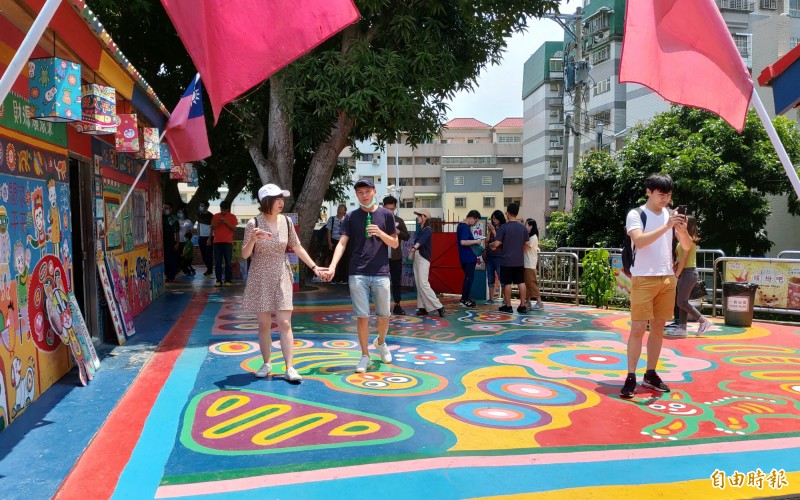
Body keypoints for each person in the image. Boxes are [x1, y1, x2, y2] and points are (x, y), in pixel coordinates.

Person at [242, 184, 325, 382]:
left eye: (282, 199)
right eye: (277, 199)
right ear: (266, 202)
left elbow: (297, 247)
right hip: (260, 276)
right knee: (264, 324)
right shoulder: (253, 223)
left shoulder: (287, 221)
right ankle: (266, 363)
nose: (281, 202)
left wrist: (315, 267)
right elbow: (244, 255)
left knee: (285, 322)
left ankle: (290, 367)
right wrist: (252, 239)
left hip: (281, 273)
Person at [620, 173, 691, 399]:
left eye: (669, 195)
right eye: (661, 195)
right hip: (643, 277)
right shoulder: (636, 214)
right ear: (648, 191)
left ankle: (650, 373)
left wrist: (682, 229)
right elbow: (639, 241)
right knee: (638, 328)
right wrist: (667, 225)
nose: (665, 200)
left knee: (658, 327)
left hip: (667, 277)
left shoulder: (671, 215)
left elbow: (687, 246)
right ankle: (631, 376)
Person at [323, 178, 399, 373]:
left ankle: (381, 342)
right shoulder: (350, 217)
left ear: (374, 192)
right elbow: (341, 243)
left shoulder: (386, 215)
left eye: (367, 191)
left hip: (381, 272)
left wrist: (380, 233)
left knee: (384, 316)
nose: (364, 196)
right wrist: (332, 266)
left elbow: (395, 243)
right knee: (362, 316)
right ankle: (365, 355)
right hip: (357, 272)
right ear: (356, 195)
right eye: (360, 193)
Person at [667, 216, 712, 338]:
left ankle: (703, 320)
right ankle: (682, 328)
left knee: (681, 302)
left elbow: (685, 259)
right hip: (686, 272)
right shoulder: (684, 238)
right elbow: (681, 258)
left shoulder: (688, 240)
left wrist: (676, 274)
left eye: (684, 221)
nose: (682, 223)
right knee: (683, 301)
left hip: (688, 272)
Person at [489, 203, 528, 314]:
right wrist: (520, 253)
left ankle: (508, 305)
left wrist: (490, 245)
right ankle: (522, 305)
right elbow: (527, 244)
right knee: (521, 282)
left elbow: (496, 244)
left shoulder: (503, 228)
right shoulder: (522, 227)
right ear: (517, 213)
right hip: (519, 261)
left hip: (506, 261)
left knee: (507, 283)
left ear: (508, 213)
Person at [410, 209, 445, 317]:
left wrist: (414, 247)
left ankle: (438, 306)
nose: (417, 217)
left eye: (419, 216)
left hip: (423, 259)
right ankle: (422, 307)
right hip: (418, 257)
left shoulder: (427, 229)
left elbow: (421, 241)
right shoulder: (422, 229)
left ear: (425, 217)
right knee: (420, 283)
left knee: (423, 283)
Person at [382, 196, 410, 315]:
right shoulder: (378, 219)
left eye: (392, 209)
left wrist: (398, 231)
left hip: (396, 256)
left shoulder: (399, 220)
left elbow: (407, 236)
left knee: (396, 281)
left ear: (395, 208)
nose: (390, 211)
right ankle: (382, 306)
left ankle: (397, 305)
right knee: (381, 282)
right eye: (387, 209)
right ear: (383, 207)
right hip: (381, 256)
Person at [456, 210, 483, 308]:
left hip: (466, 257)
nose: (475, 223)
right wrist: (476, 242)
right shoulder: (464, 227)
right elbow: (463, 242)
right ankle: (464, 299)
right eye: (475, 221)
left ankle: (465, 298)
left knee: (468, 278)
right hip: (468, 258)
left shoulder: (462, 226)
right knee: (469, 278)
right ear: (472, 218)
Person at [211, 200, 238, 287]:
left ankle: (228, 280)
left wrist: (226, 222)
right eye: (222, 209)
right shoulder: (215, 216)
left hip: (228, 242)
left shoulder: (232, 217)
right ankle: (218, 280)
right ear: (220, 208)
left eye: (225, 210)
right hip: (217, 242)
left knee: (228, 262)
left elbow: (234, 228)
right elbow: (212, 227)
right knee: (218, 262)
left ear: (228, 209)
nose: (223, 211)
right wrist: (218, 222)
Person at [485, 210, 506, 304]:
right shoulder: (491, 228)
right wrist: (489, 231)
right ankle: (491, 298)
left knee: (502, 278)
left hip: (499, 257)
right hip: (489, 256)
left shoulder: (503, 228)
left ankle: (506, 298)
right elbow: (486, 241)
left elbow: (500, 240)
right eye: (493, 218)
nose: (494, 220)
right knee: (490, 277)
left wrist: (493, 231)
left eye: (496, 218)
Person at [524, 218, 544, 310]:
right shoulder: (530, 237)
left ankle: (539, 303)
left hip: (529, 264)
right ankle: (527, 301)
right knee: (527, 283)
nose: (525, 227)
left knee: (531, 283)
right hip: (526, 263)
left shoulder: (533, 238)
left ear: (531, 227)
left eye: (526, 225)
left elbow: (526, 248)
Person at [326, 204, 349, 284]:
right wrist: (329, 242)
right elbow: (328, 231)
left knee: (344, 260)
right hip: (334, 240)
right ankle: (333, 278)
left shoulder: (346, 219)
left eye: (342, 208)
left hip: (344, 241)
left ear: (345, 211)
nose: (340, 209)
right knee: (333, 260)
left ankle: (343, 278)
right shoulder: (332, 219)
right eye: (339, 208)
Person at [162, 202, 179, 282]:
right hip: (161, 241)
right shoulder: (161, 217)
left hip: (171, 241)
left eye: (167, 208)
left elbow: (177, 231)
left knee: (171, 259)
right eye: (164, 208)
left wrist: (177, 243)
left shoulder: (174, 218)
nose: (165, 210)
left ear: (171, 209)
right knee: (164, 259)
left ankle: (171, 276)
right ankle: (166, 275)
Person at [196, 201, 214, 276]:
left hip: (208, 237)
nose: (201, 207)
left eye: (202, 205)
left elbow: (212, 228)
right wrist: (198, 234)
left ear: (206, 207)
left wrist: (209, 239)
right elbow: (199, 225)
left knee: (208, 254)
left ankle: (209, 270)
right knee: (203, 255)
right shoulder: (199, 214)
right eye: (200, 205)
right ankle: (208, 268)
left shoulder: (211, 215)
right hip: (201, 237)